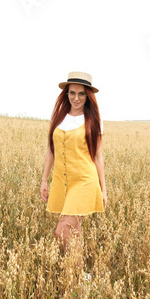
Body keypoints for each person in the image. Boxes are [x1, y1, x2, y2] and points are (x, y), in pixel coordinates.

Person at [40, 71, 107, 274]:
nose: (76, 98)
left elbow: (97, 156)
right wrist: (44, 179)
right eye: (72, 93)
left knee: (61, 231)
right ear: (66, 94)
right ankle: (80, 282)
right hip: (62, 182)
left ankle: (79, 277)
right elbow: (51, 150)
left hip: (85, 181)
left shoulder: (93, 120)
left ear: (88, 96)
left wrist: (103, 190)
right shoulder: (59, 118)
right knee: (74, 233)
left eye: (81, 94)